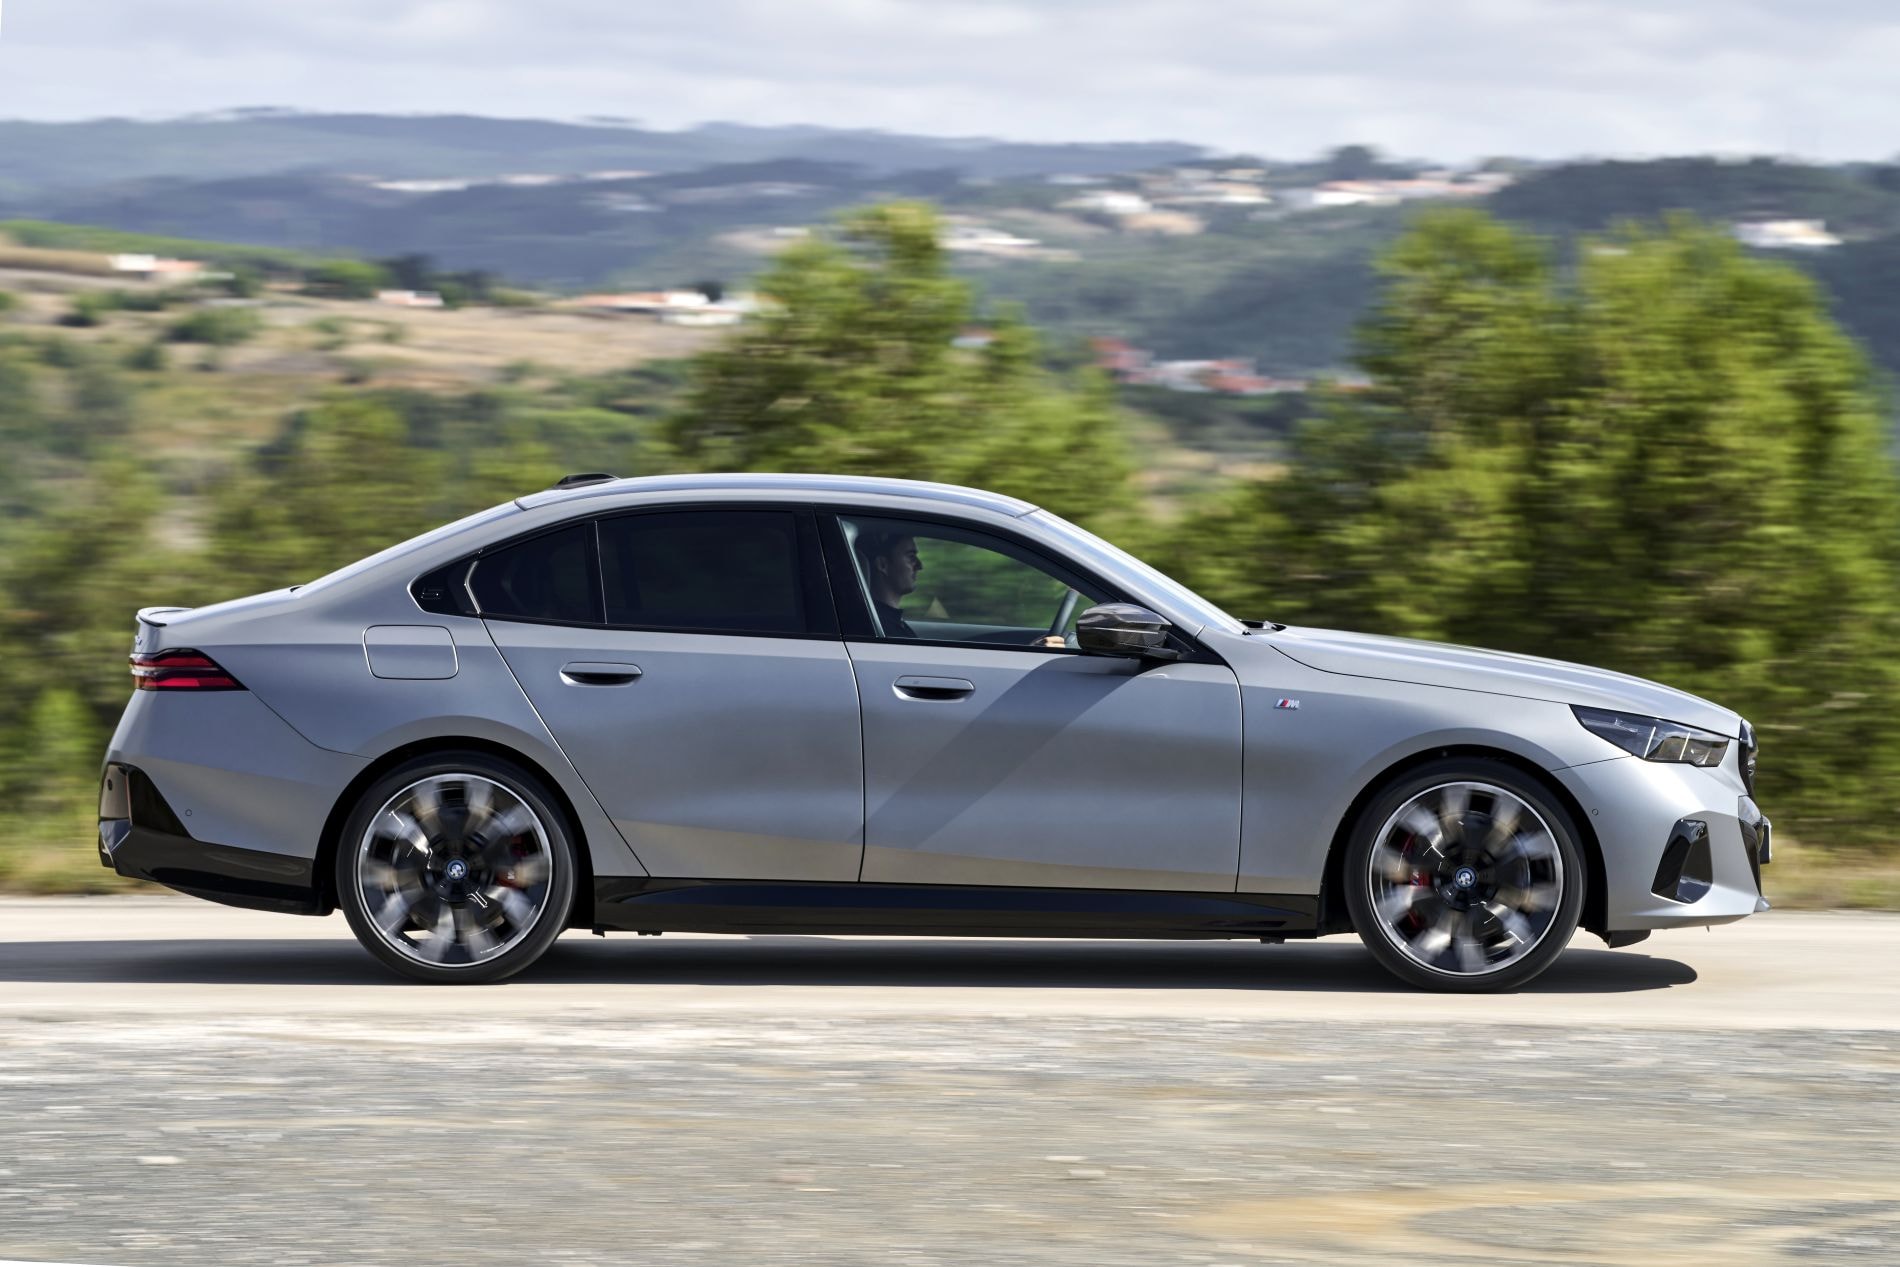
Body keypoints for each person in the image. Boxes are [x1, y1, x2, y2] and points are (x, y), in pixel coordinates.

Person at [856, 529, 921, 638]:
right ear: (883, 565)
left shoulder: (887, 623)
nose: (919, 566)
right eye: (911, 556)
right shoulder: (879, 628)